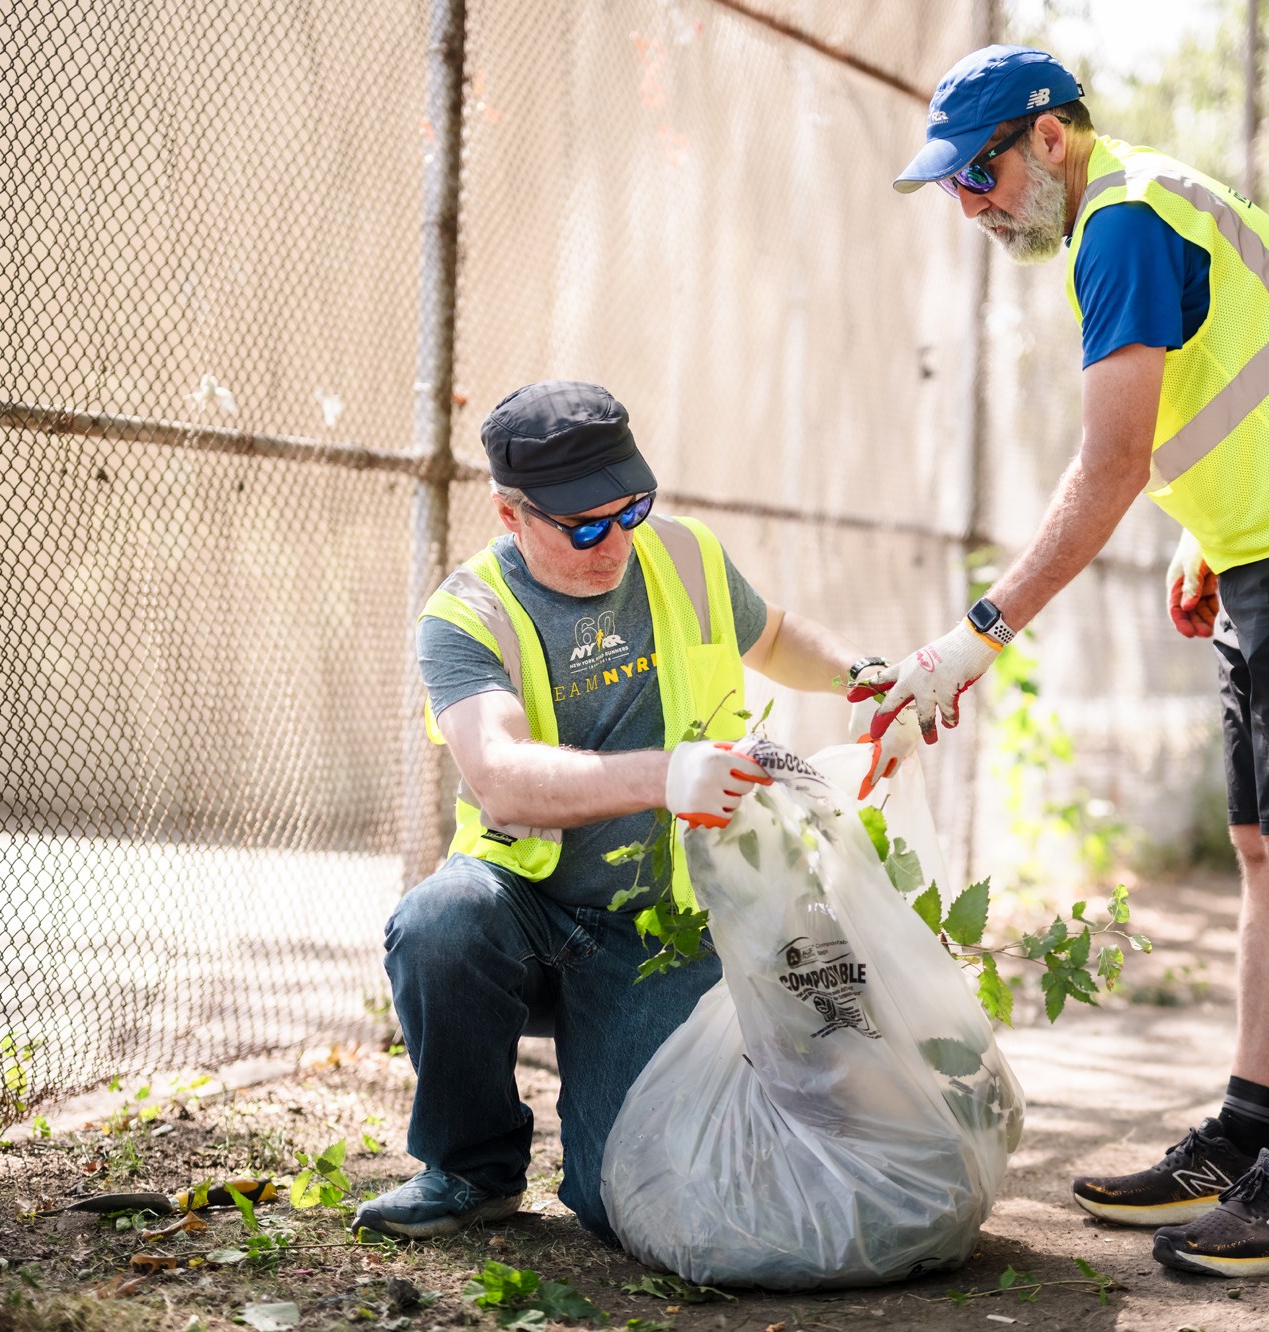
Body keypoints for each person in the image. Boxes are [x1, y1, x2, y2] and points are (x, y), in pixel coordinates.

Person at [877, 46, 1269, 1277]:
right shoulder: (1129, 207)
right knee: (1260, 847)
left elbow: (1109, 460)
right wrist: (1206, 536)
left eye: (977, 173)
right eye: (952, 189)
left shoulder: (1122, 223)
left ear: (1048, 137)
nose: (969, 205)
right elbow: (1234, 378)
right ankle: (1246, 1133)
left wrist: (975, 635)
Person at [352, 380, 916, 1243]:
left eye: (631, 509)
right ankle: (470, 1170)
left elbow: (771, 637)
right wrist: (664, 777)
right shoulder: (466, 616)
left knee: (628, 1200)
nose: (613, 540)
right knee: (440, 921)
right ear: (512, 517)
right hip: (528, 905)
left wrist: (863, 674)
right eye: (582, 525)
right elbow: (499, 773)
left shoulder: (685, 556)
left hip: (663, 925)